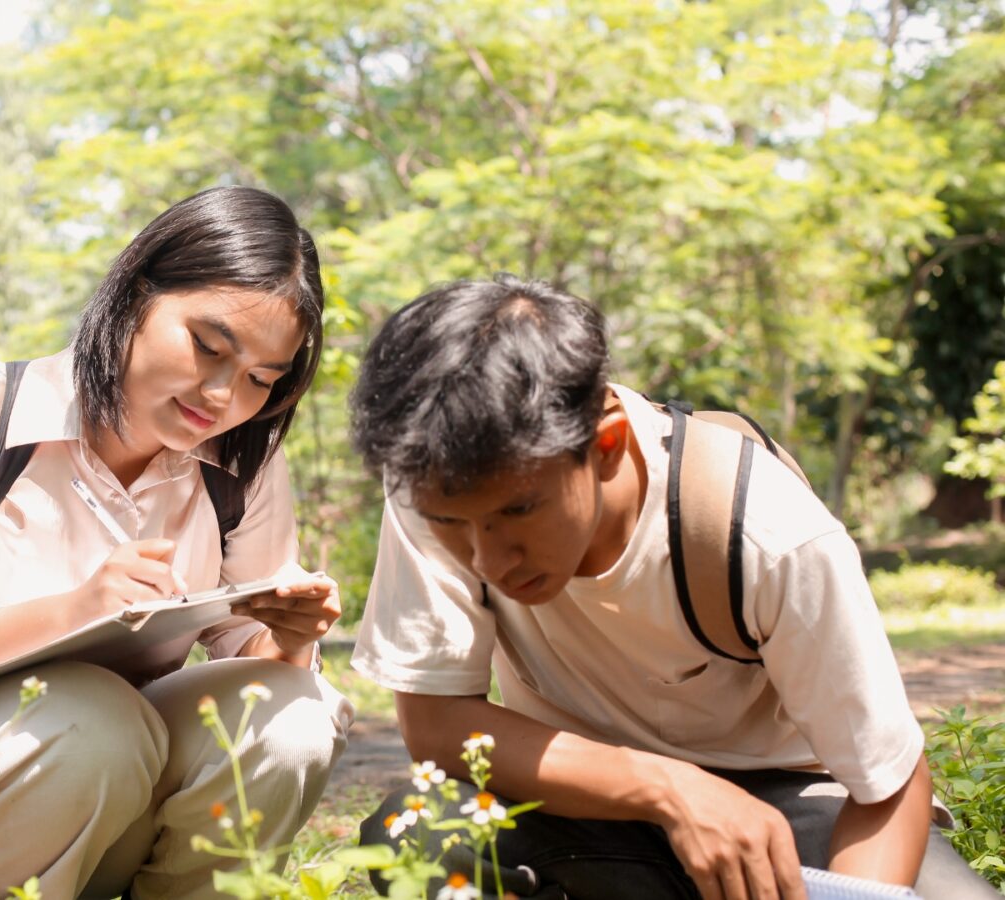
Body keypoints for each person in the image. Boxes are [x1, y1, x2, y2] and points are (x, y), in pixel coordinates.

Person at [346, 276, 993, 898]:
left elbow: (888, 784)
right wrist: (668, 790)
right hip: (582, 806)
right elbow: (435, 725)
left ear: (606, 444)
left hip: (790, 817)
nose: (488, 559)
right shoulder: (433, 477)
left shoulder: (764, 529)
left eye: (518, 512)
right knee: (420, 831)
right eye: (452, 526)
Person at [0, 185, 353, 899]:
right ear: (133, 292)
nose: (221, 396)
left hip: (129, 795)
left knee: (292, 713)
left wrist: (290, 638)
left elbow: (251, 665)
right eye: (208, 346)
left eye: (259, 380)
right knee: (92, 714)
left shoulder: (244, 462)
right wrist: (76, 610)